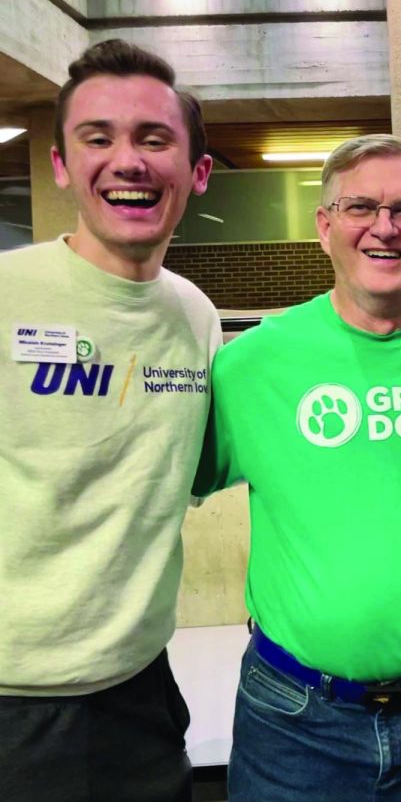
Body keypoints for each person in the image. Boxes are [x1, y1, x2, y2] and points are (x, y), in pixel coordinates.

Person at [194, 134, 401, 801]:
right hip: (296, 722)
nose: (384, 228)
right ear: (325, 226)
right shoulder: (254, 364)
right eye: (360, 207)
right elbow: (156, 486)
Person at [0, 39, 221, 802]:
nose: (127, 159)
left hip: (138, 690)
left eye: (153, 139)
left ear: (196, 173)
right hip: (13, 701)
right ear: (61, 164)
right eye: (98, 138)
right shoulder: (6, 294)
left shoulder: (196, 317)